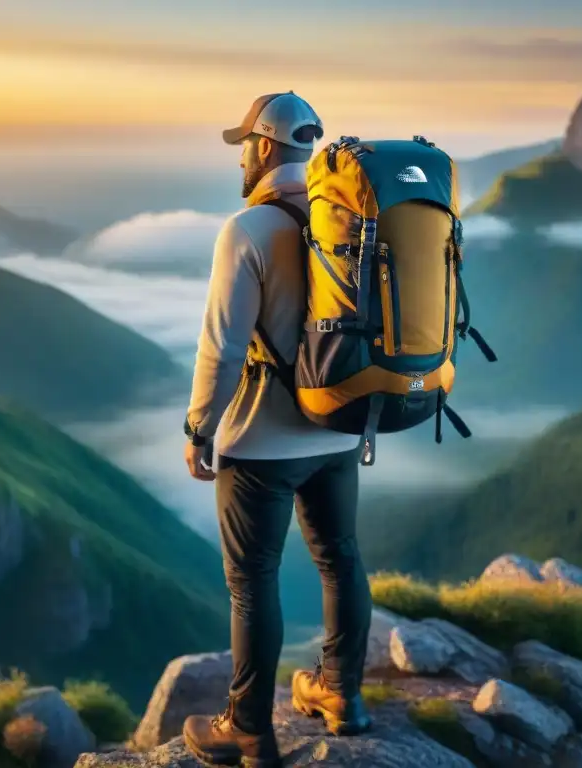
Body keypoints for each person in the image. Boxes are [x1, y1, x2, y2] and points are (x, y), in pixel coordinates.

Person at [181, 92, 373, 768]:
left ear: (264, 147)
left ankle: (249, 731)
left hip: (262, 441)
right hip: (343, 424)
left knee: (252, 580)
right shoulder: (348, 218)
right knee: (339, 557)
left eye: (245, 143)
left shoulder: (247, 230)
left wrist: (200, 427)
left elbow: (223, 348)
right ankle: (342, 696)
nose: (242, 155)